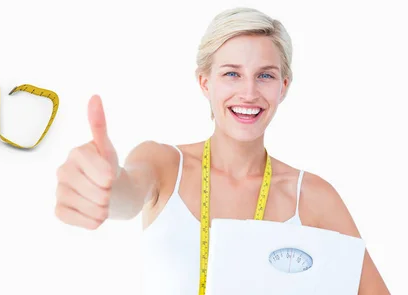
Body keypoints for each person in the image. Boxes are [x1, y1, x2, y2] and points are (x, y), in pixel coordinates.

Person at [54, 6, 390, 295]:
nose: (249, 92)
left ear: (284, 87)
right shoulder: (165, 165)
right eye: (232, 73)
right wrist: (104, 188)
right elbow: (126, 195)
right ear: (205, 82)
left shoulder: (312, 196)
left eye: (265, 76)